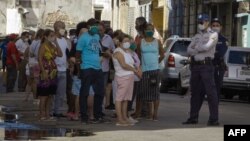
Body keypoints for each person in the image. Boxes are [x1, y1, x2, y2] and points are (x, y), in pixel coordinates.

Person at [183, 14, 219, 126]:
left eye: (202, 22)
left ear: (207, 22)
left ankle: (214, 119)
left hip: (206, 66)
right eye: (199, 22)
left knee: (211, 93)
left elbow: (208, 47)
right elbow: (188, 50)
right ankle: (193, 117)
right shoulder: (197, 35)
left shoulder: (213, 34)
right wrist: (198, 49)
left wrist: (196, 49)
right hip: (196, 66)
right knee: (195, 93)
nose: (200, 24)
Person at [76, 18, 105, 124]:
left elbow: (99, 50)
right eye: (94, 26)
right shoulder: (83, 38)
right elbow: (78, 54)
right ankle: (84, 116)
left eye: (97, 26)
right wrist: (79, 69)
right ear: (88, 27)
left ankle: (98, 115)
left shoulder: (97, 36)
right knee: (85, 92)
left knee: (100, 92)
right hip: (87, 67)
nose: (96, 28)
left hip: (97, 67)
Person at [135, 23, 164, 121]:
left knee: (155, 92)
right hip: (144, 70)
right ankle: (145, 113)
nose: (150, 31)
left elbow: (162, 54)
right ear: (144, 31)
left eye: (152, 29)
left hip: (155, 71)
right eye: (148, 29)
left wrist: (157, 62)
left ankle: (155, 114)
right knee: (143, 92)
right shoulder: (141, 42)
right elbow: (138, 55)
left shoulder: (157, 42)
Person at [112, 34, 142, 126]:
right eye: (125, 41)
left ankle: (125, 117)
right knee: (119, 98)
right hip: (122, 77)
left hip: (129, 77)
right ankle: (120, 118)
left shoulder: (127, 52)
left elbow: (133, 62)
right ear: (120, 43)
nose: (127, 43)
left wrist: (137, 69)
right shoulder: (118, 52)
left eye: (128, 41)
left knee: (126, 99)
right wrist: (135, 70)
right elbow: (123, 65)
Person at [37, 29, 63, 121]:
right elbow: (39, 59)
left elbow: (60, 54)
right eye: (51, 35)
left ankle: (47, 114)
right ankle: (42, 114)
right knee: (44, 95)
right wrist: (43, 71)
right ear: (46, 36)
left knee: (50, 95)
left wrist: (56, 42)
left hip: (53, 72)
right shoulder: (43, 46)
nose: (53, 37)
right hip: (46, 71)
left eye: (54, 35)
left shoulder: (52, 46)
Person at [52, 21, 69, 118]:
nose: (63, 28)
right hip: (54, 69)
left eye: (64, 26)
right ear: (56, 28)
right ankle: (50, 111)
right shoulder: (52, 39)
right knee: (52, 92)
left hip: (63, 69)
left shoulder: (64, 40)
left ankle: (57, 111)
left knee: (61, 93)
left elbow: (66, 53)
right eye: (61, 27)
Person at [98, 22, 116, 109]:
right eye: (98, 30)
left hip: (104, 68)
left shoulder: (108, 38)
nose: (99, 32)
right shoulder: (93, 38)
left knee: (102, 89)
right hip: (93, 67)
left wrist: (109, 53)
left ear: (104, 30)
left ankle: (100, 109)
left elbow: (114, 51)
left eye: (101, 30)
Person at [24, 29, 44, 101]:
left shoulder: (33, 42)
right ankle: (36, 98)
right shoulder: (40, 43)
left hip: (31, 63)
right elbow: (38, 55)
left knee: (30, 82)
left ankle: (26, 97)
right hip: (37, 64)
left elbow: (28, 53)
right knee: (36, 82)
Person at [211, 18, 228, 100]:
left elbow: (221, 53)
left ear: (221, 27)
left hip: (218, 67)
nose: (215, 27)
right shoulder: (206, 38)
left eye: (217, 26)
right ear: (210, 27)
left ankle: (214, 108)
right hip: (207, 66)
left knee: (216, 88)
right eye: (213, 25)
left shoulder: (223, 40)